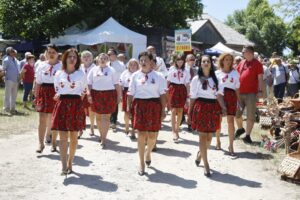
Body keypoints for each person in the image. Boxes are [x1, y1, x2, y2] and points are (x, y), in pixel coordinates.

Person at [127, 51, 167, 176]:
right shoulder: (135, 76)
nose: (143, 62)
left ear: (151, 63)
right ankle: (141, 162)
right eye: (141, 60)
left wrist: (163, 110)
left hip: (154, 106)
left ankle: (148, 152)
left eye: (146, 60)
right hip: (139, 106)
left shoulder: (159, 76)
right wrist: (129, 109)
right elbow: (130, 93)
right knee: (141, 134)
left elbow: (163, 95)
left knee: (152, 136)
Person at [51, 48, 86, 175]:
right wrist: (58, 96)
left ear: (77, 60)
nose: (72, 59)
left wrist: (77, 104)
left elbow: (83, 91)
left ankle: (71, 162)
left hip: (75, 105)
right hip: (62, 105)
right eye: (69, 56)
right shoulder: (58, 74)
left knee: (74, 137)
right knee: (63, 137)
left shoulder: (81, 74)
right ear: (65, 58)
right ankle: (63, 166)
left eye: (74, 57)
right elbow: (57, 90)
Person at [188, 55, 220, 177]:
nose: (206, 63)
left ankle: (200, 154)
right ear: (200, 64)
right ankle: (206, 165)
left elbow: (219, 95)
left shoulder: (215, 79)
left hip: (212, 108)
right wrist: (190, 113)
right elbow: (192, 97)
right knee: (202, 137)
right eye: (203, 61)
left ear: (211, 64)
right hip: (200, 107)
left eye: (208, 61)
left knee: (209, 138)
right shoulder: (196, 79)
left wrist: (222, 108)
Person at [87, 53, 122, 148]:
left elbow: (116, 84)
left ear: (108, 60)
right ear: (97, 59)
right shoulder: (93, 70)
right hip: (96, 95)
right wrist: (89, 94)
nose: (102, 60)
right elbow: (89, 84)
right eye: (101, 58)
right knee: (98, 117)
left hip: (109, 95)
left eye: (105, 58)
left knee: (106, 117)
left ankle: (104, 138)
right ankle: (101, 135)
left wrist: (119, 95)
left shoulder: (112, 70)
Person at [34, 44, 61, 153]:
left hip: (56, 93)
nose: (51, 54)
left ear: (57, 54)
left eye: (53, 52)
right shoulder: (41, 65)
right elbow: (38, 82)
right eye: (49, 52)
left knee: (54, 119)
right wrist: (36, 96)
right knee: (42, 119)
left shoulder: (62, 66)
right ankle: (40, 144)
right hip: (43, 92)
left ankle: (53, 143)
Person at [235, 45, 263, 144]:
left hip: (251, 94)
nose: (242, 53)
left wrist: (260, 91)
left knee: (250, 116)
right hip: (239, 93)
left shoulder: (257, 64)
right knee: (237, 114)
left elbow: (260, 79)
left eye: (244, 52)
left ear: (250, 52)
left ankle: (247, 135)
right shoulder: (242, 62)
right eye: (242, 52)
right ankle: (240, 129)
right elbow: (236, 75)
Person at [215, 53, 240, 156]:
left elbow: (237, 87)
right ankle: (218, 140)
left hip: (232, 96)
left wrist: (239, 101)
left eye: (230, 59)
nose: (228, 61)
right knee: (218, 120)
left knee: (230, 121)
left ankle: (231, 145)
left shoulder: (235, 73)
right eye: (226, 59)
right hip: (220, 97)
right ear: (222, 60)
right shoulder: (217, 73)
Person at [167, 54, 190, 142]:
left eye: (181, 61)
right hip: (173, 88)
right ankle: (173, 130)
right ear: (175, 61)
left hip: (182, 89)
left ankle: (177, 129)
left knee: (180, 110)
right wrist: (165, 90)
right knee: (173, 110)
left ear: (184, 61)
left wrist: (188, 95)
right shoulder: (172, 69)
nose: (180, 62)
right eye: (178, 60)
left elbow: (187, 83)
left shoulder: (186, 70)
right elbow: (168, 80)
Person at [78, 50, 96, 139]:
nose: (86, 58)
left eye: (88, 56)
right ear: (81, 59)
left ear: (92, 58)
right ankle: (80, 128)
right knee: (80, 110)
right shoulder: (78, 67)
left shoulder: (95, 67)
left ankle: (92, 127)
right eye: (84, 56)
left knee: (91, 110)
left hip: (91, 91)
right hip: (80, 91)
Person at [119, 58, 139, 139]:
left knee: (135, 113)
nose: (133, 66)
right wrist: (120, 95)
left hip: (137, 94)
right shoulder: (124, 73)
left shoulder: (139, 73)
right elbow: (120, 84)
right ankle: (127, 126)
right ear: (128, 65)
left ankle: (133, 130)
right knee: (127, 112)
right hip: (126, 93)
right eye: (131, 64)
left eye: (134, 64)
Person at [107, 48, 126, 131]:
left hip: (116, 86)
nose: (108, 56)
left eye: (110, 54)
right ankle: (108, 120)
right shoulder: (106, 64)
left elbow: (124, 75)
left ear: (115, 55)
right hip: (106, 87)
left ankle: (113, 121)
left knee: (115, 104)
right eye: (108, 54)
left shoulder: (121, 64)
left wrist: (122, 87)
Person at [2, 47, 20, 114]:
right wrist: (4, 78)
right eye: (12, 51)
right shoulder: (6, 60)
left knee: (14, 95)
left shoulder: (15, 59)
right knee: (7, 95)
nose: (14, 52)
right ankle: (6, 108)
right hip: (9, 79)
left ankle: (13, 108)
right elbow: (3, 70)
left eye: (13, 51)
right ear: (9, 52)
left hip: (16, 80)